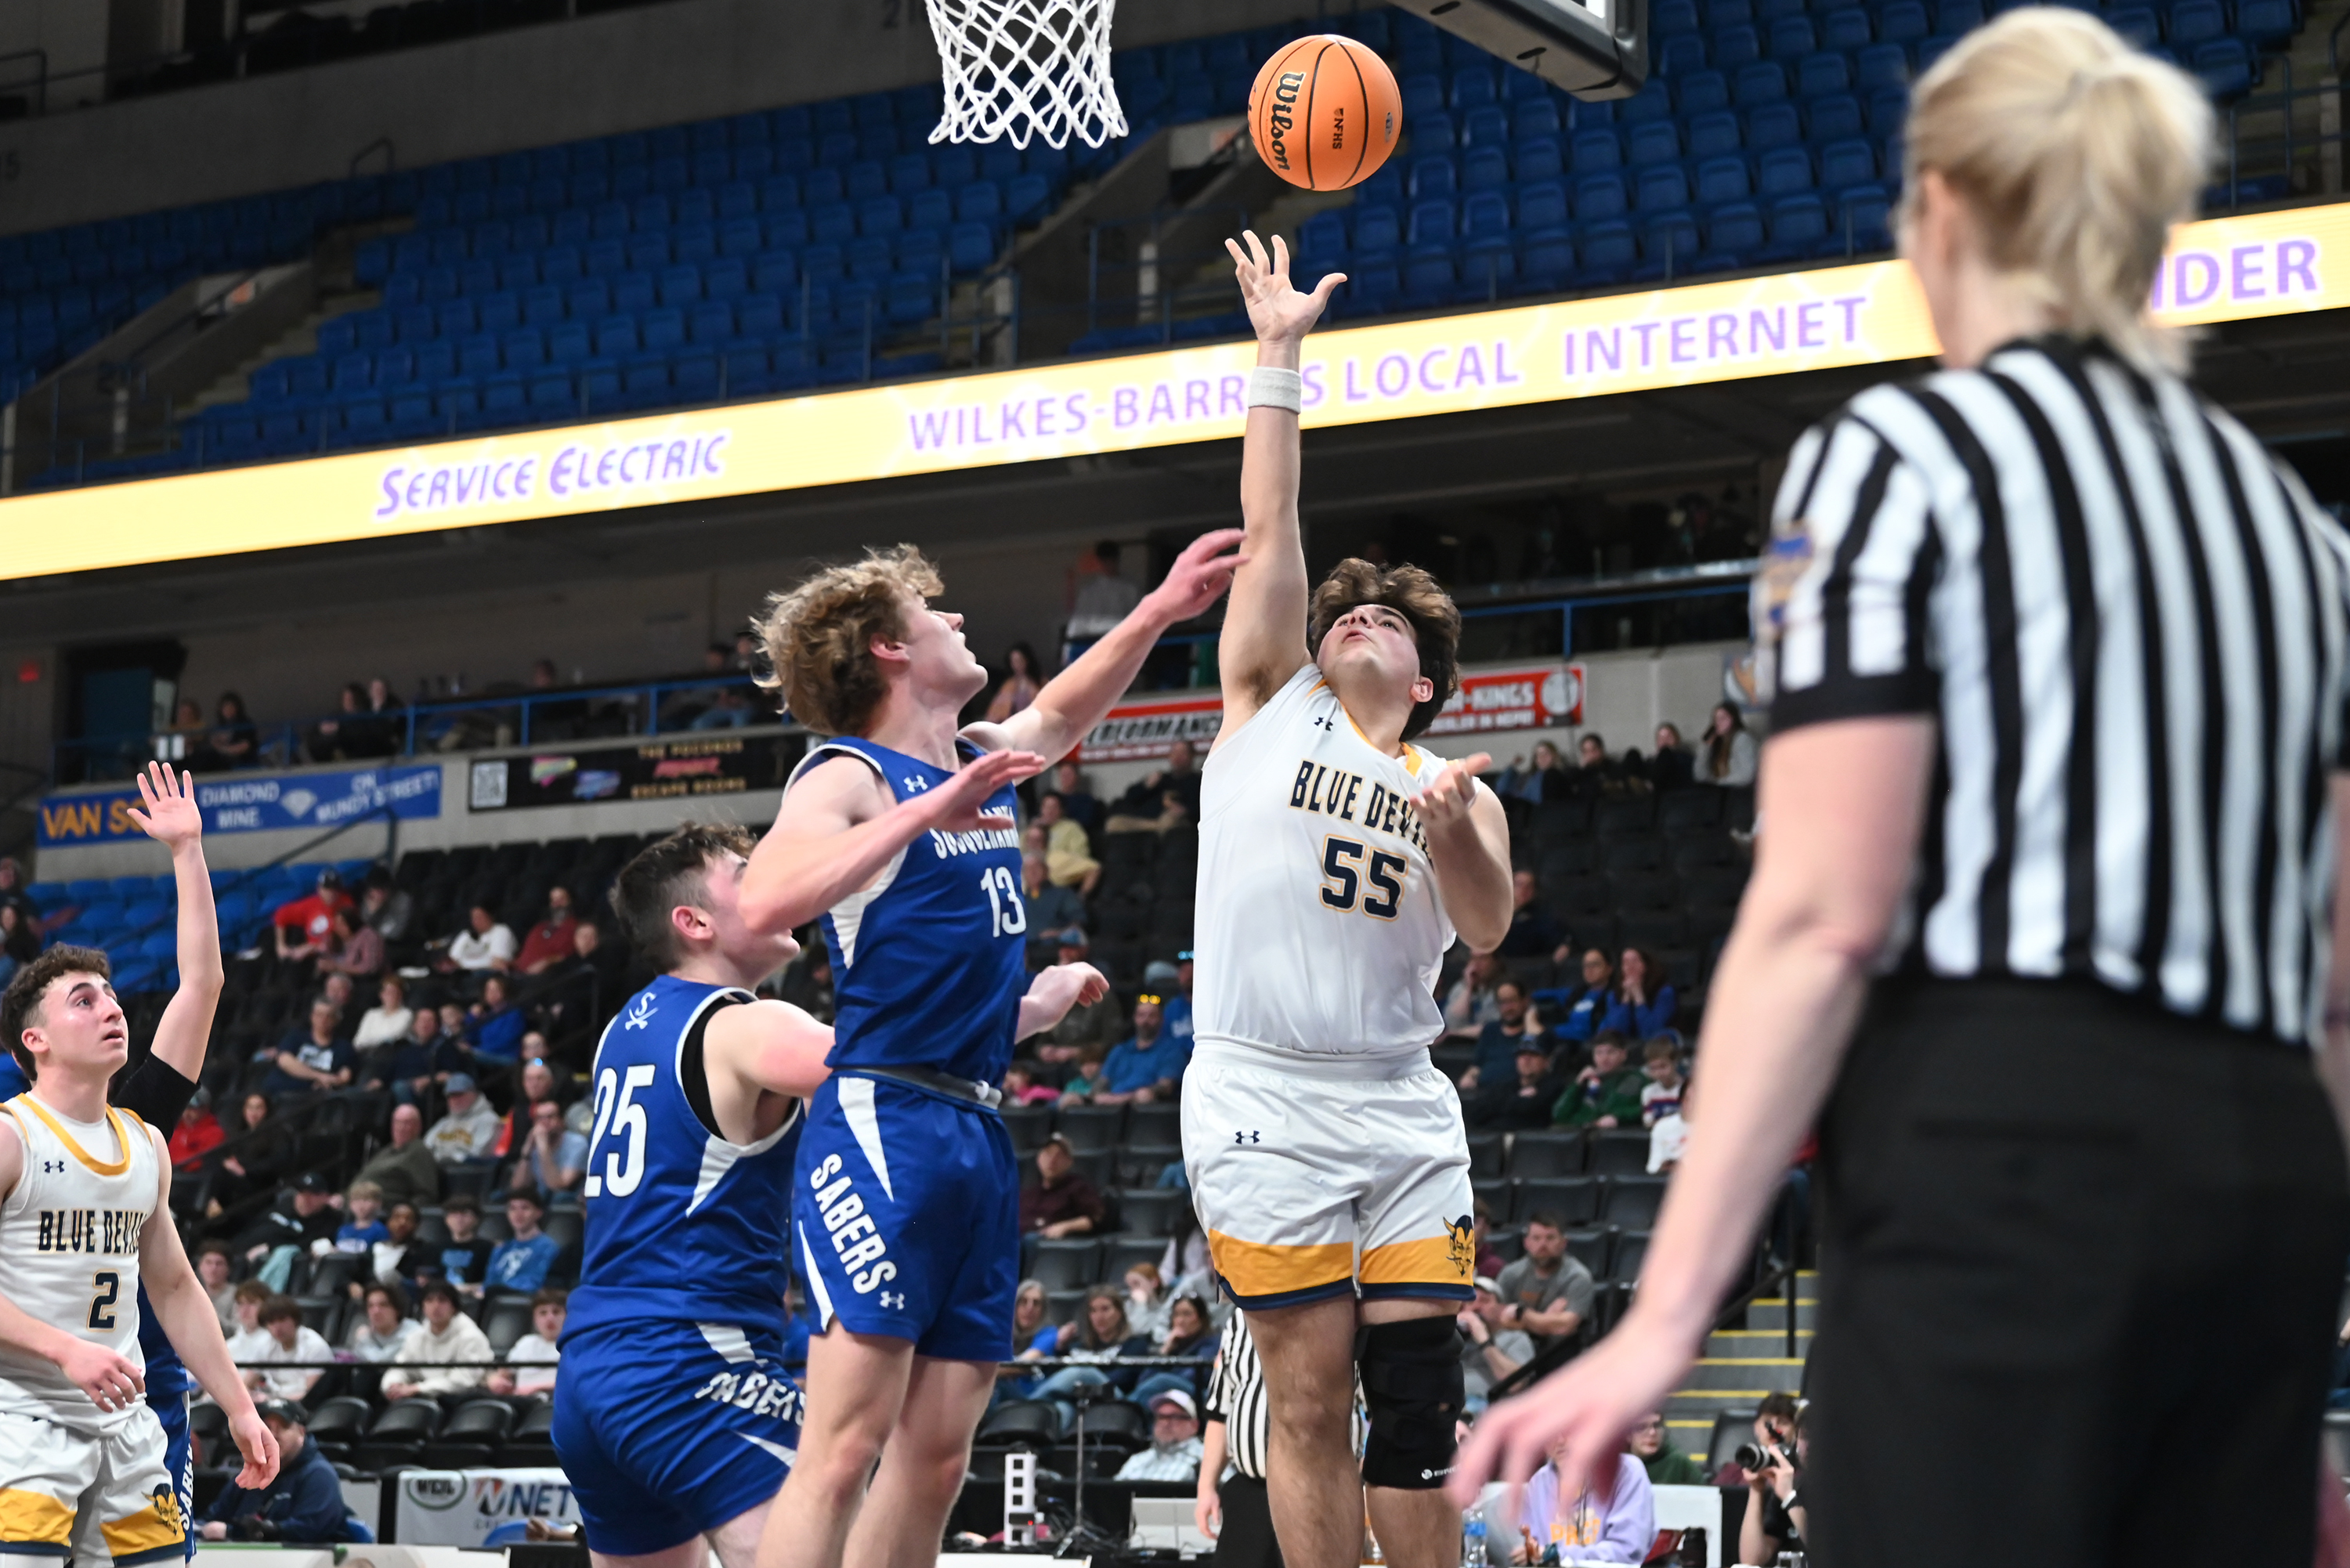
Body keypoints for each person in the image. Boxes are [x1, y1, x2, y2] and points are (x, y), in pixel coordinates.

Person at [1455, 16, 2350, 1568]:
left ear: (1941, 209)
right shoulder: (2298, 531)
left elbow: (1820, 910)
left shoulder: (1900, 457)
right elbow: (2337, 974)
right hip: (2263, 1161)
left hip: (2010, 1137)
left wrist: (1666, 1313)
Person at [741, 522, 1237, 1568]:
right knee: (842, 1448)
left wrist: (1157, 611)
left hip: (973, 1117)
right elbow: (765, 900)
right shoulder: (847, 776)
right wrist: (930, 809)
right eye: (937, 613)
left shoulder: (974, 758)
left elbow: (1059, 715)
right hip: (884, 1120)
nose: (960, 620)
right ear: (886, 647)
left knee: (936, 1456)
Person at [1183, 230, 1515, 1568]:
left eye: (1387, 626)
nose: (1355, 622)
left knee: (1421, 1411)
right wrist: (1277, 356)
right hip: (1262, 1091)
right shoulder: (1268, 705)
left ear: (1427, 679)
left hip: (1397, 1098)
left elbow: (1487, 925)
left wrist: (1450, 840)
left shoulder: (1460, 788)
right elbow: (1273, 528)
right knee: (1308, 1402)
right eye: (1343, 617)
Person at [557, 822, 1101, 1568]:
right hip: (690, 1361)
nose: (777, 879)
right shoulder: (743, 1024)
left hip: (590, 1370)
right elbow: (899, 1065)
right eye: (748, 873)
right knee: (834, 1531)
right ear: (696, 922)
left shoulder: (624, 1027)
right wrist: (1038, 1003)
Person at [0, 762, 264, 1563]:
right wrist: (62, 1348)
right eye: (83, 999)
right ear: (33, 1040)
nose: (111, 1006)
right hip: (24, 1411)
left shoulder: (144, 1137)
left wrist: (242, 1405)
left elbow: (177, 1285)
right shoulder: (11, 1137)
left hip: (127, 1415)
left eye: (111, 994)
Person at [198, 1399, 366, 1544]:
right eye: (266, 1427)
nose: (273, 1435)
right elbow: (209, 1520)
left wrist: (239, 1532)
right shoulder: (248, 1476)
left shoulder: (318, 1474)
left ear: (301, 1432)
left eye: (283, 1428)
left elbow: (310, 1531)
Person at [1507, 1438, 1652, 1565]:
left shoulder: (1627, 1471)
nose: (1560, 1441)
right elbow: (1530, 1548)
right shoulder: (1539, 1483)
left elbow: (1626, 1552)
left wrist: (1554, 1554)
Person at [1031, 1287, 1152, 1425]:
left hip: (1116, 1399)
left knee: (1082, 1372)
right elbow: (1055, 1377)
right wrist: (1060, 1347)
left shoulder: (1134, 1343)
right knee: (1062, 1409)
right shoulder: (1078, 1346)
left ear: (1119, 1313)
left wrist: (1085, 1381)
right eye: (1093, 1311)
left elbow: (1125, 1377)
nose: (1099, 1316)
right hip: (1077, 1399)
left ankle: (1028, 1405)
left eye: (1105, 1309)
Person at [1493, 1215, 1595, 1354]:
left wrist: (1520, 1313)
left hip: (1562, 1352)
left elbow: (1565, 1327)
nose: (1543, 1245)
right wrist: (1545, 1320)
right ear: (1526, 1243)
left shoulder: (1577, 1277)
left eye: (1550, 1238)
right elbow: (1496, 1320)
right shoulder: (1511, 1274)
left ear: (1564, 1243)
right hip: (1516, 1347)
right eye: (1536, 1238)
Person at [381, 1281, 493, 1400]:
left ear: (454, 1307)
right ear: (423, 1307)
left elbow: (463, 1381)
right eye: (429, 1300)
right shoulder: (416, 1337)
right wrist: (394, 1384)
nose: (436, 1306)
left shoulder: (470, 1337)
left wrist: (417, 1388)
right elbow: (400, 1368)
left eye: (442, 1301)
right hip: (425, 1395)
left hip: (461, 1400)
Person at [1086, 995, 1188, 1105]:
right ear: (1134, 1018)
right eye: (1141, 1015)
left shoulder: (1171, 1051)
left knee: (1144, 1096)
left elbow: (1166, 1087)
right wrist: (1095, 1095)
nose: (1146, 1020)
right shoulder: (1120, 1050)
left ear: (1162, 1019)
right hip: (1111, 1106)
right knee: (1071, 1099)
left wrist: (1128, 1097)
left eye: (1152, 1016)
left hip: (1145, 1107)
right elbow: (1103, 1081)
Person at [1737, 1408, 1806, 1566]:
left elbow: (1828, 1547)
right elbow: (1751, 1560)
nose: (1808, 1446)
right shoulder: (1793, 1487)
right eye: (1804, 1437)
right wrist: (1756, 1489)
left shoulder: (1843, 1487)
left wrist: (1789, 1498)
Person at [1458, 1277, 1533, 1414]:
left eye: (1485, 1301)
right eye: (1470, 1301)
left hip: (1490, 1414)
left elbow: (1516, 1384)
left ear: (1501, 1308)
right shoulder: (1456, 1338)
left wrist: (1484, 1340)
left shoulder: (1515, 1338)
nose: (1476, 1307)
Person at [1457, 978, 1544, 1093]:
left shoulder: (1531, 1031)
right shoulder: (1491, 1030)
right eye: (1503, 1002)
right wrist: (1469, 1077)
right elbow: (1476, 1066)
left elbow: (1538, 1048)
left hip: (1515, 1095)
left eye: (1512, 1001)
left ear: (1525, 1001)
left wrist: (1530, 1016)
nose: (1508, 1008)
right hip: (1484, 1093)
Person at [240, 1295, 332, 1404]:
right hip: (272, 1403)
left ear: (295, 1320)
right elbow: (245, 1385)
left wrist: (270, 1400)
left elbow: (309, 1396)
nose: (277, 1328)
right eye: (271, 1322)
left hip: (301, 1407)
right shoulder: (265, 1343)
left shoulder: (315, 1346)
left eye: (282, 1320)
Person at [258, 998, 354, 1100]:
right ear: (312, 1016)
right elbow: (285, 1061)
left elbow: (345, 1075)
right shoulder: (295, 1037)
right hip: (281, 1093)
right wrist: (319, 1076)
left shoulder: (343, 1047)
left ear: (336, 1020)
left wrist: (333, 1082)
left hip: (315, 1099)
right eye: (319, 1015)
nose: (323, 1020)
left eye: (329, 1016)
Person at [353, 1101, 441, 1207]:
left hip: (381, 1210)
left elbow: (426, 1194)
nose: (401, 1127)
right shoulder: (385, 1151)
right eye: (397, 1122)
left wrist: (404, 1213)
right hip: (353, 1205)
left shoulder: (419, 1151)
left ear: (418, 1126)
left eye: (407, 1123)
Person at [1104, 740, 1203, 834]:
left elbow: (1202, 809)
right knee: (1113, 822)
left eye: (1183, 753)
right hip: (1147, 820)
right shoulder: (1161, 778)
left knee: (1170, 820)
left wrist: (1185, 810)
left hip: (1175, 822)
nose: (1178, 757)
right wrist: (1146, 786)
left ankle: (1158, 827)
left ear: (1191, 756)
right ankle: (1157, 827)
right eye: (1175, 752)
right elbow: (1129, 798)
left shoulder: (1197, 781)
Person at [1019, 1133, 1107, 1238]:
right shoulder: (1028, 1193)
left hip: (1047, 1245)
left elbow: (1094, 1219)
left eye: (1059, 1156)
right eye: (1048, 1154)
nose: (1052, 1161)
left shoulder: (1077, 1188)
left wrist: (1065, 1227)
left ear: (1069, 1162)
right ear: (1039, 1158)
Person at [1470, 1039, 1567, 1134]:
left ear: (1546, 1062)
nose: (1526, 1060)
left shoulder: (1554, 1085)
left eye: (1533, 1055)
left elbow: (1533, 1108)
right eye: (1522, 1055)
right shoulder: (1504, 1084)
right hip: (1494, 1138)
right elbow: (1477, 1113)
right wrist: (1519, 1099)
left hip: (1532, 1142)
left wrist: (1502, 1104)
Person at [1553, 1035, 1643, 1129]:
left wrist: (1618, 1118)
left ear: (1624, 1054)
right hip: (1583, 1133)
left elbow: (1644, 1109)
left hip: (1618, 1134)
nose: (1604, 1058)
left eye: (1611, 1052)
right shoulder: (1586, 1080)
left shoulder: (1637, 1079)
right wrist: (1577, 1084)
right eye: (1599, 1053)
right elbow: (1559, 1114)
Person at [489, 1288, 566, 1396]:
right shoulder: (526, 1342)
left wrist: (534, 1389)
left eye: (556, 1312)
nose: (550, 1318)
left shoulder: (574, 1345)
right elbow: (503, 1373)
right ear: (535, 1318)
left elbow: (572, 1383)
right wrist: (495, 1380)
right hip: (522, 1401)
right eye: (543, 1313)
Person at [509, 1097, 588, 1201]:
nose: (545, 1122)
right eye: (540, 1118)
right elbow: (518, 1188)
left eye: (550, 1117)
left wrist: (543, 1148)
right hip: (540, 1199)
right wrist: (527, 1151)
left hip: (566, 1200)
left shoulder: (577, 1143)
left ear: (561, 1120)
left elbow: (559, 1186)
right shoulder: (534, 1145)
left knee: (558, 1198)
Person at [1115, 1390, 1206, 1482]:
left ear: (1194, 1425)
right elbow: (1112, 1494)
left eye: (1174, 1417)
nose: (1166, 1423)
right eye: (1161, 1417)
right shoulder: (1137, 1461)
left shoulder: (1207, 1458)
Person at [486, 1191, 562, 1295]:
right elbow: (489, 1282)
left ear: (538, 1213)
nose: (518, 1214)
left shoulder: (547, 1247)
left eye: (525, 1208)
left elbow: (534, 1283)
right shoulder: (502, 1248)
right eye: (512, 1208)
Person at [270, 869, 351, 965]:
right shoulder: (312, 904)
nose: (331, 893)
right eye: (327, 889)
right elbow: (281, 915)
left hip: (334, 956)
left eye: (334, 889)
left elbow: (341, 939)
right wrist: (280, 945)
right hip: (308, 957)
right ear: (319, 889)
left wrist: (311, 948)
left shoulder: (346, 905)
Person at [421, 1194, 495, 1298]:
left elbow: (490, 1281)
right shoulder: (434, 1248)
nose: (459, 1219)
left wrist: (469, 1288)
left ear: (476, 1219)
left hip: (472, 1297)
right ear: (446, 1219)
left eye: (464, 1214)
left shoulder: (487, 1248)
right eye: (453, 1214)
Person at [1596, 949, 1675, 1040]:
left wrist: (1638, 996)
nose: (1630, 966)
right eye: (1626, 963)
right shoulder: (1614, 995)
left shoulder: (1665, 992)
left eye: (1635, 961)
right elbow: (1615, 1033)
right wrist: (1626, 999)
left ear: (1646, 966)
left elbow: (1651, 1033)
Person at [425, 1072, 500, 1164]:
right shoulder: (445, 1122)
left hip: (468, 1173)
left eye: (459, 1095)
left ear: (473, 1094)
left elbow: (477, 1155)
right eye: (450, 1096)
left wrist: (444, 1157)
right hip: (440, 1169)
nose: (454, 1100)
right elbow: (425, 1148)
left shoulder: (488, 1120)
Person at [1495, 869, 1560, 963]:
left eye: (1529, 886)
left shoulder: (1544, 918)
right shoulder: (1498, 915)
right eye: (1519, 885)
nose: (1524, 890)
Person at [1626, 1413, 1707, 1487]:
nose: (1652, 1432)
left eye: (1657, 1425)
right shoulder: (1619, 1462)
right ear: (1627, 1435)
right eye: (1642, 1427)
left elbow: (1706, 1495)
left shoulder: (1677, 1460)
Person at [1552, 951, 1614, 1045]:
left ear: (1609, 969)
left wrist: (1545, 1032)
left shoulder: (1613, 996)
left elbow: (1587, 1032)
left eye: (1595, 964)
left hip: (1587, 1043)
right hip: (1564, 1039)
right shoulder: (1577, 993)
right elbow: (1539, 993)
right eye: (1586, 965)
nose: (1589, 969)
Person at [347, 1283, 418, 1364]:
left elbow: (382, 1363)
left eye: (383, 1305)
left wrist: (364, 1340)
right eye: (371, 1306)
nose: (376, 1311)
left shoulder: (413, 1333)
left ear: (397, 1310)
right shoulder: (369, 1333)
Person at [517, 886, 581, 975]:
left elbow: (569, 956)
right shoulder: (539, 927)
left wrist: (548, 961)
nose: (557, 904)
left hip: (547, 978)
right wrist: (509, 964)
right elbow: (524, 956)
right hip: (519, 976)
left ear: (571, 902)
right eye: (554, 900)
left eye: (562, 899)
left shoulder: (576, 928)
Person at [1442, 951, 1504, 1041]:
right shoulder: (1461, 987)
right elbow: (1453, 1023)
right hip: (1460, 1045)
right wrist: (1468, 988)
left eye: (1482, 958)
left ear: (1495, 962)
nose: (1476, 964)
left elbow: (1494, 1027)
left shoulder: (1504, 988)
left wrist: (1454, 1033)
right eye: (1473, 958)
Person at [441, 904, 517, 974]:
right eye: (473, 918)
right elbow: (451, 961)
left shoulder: (501, 931)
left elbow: (499, 964)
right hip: (462, 975)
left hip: (487, 976)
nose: (476, 921)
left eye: (480, 917)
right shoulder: (466, 935)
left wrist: (463, 965)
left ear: (490, 916)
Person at [1695, 703, 1756, 789]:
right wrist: (1705, 748)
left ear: (1734, 719)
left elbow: (1747, 775)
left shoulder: (1742, 739)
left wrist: (1718, 783)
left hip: (1738, 792)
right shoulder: (1717, 742)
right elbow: (1700, 776)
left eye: (1723, 718)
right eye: (1715, 719)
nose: (1718, 723)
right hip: (1719, 791)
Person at [984, 642, 1043, 722]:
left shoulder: (1040, 682)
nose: (1017, 665)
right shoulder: (1009, 685)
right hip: (1013, 724)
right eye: (1013, 661)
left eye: (1019, 660)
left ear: (1027, 660)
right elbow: (996, 709)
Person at [352, 975, 413, 1050]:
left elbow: (394, 1037)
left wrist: (370, 1040)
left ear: (400, 995)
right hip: (367, 1055)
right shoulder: (371, 1014)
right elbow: (358, 1041)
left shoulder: (407, 1014)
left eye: (394, 992)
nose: (390, 995)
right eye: (387, 992)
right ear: (381, 995)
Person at [170, 1089, 224, 1170]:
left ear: (205, 1109)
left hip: (195, 1178)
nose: (187, 1113)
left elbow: (200, 1164)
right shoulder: (173, 1131)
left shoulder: (214, 1133)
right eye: (184, 1107)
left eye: (193, 1108)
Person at [1636, 1040, 1685, 1127]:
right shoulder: (1648, 1092)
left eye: (1663, 1066)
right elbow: (1648, 1122)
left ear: (1675, 1063)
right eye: (1653, 1068)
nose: (1659, 1073)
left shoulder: (1687, 1089)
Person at [334, 1180, 389, 1255]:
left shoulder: (380, 1231)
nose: (361, 1205)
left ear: (378, 1203)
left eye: (366, 1200)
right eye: (356, 1200)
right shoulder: (343, 1230)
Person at [198, 1245, 240, 1335]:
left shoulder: (237, 1295)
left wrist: (211, 1314)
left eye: (219, 1264)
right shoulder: (193, 1293)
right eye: (208, 1263)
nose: (213, 1269)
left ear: (228, 1269)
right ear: (200, 1267)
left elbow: (238, 1330)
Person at [1647, 725, 1694, 794]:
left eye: (1669, 737)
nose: (1665, 741)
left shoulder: (1686, 758)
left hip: (1676, 790)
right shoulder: (1650, 760)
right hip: (1650, 790)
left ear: (1677, 739)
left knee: (1665, 754)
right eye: (1661, 738)